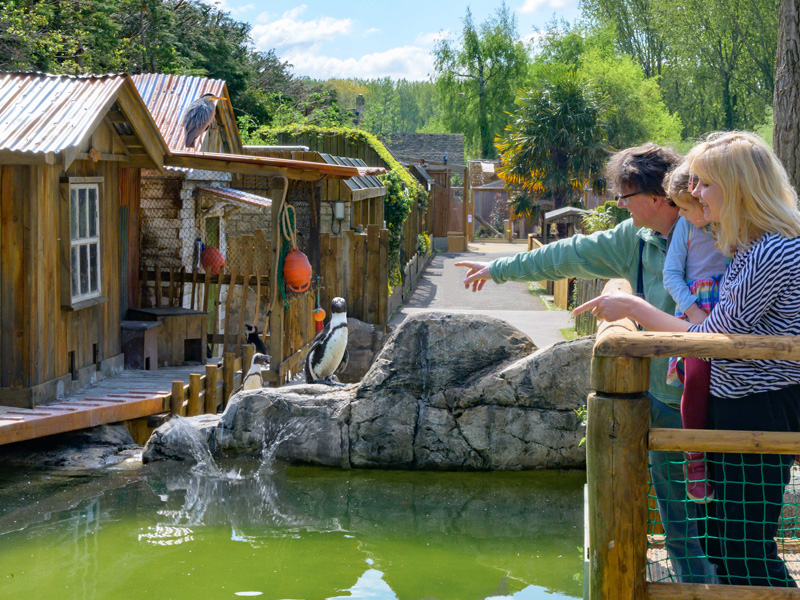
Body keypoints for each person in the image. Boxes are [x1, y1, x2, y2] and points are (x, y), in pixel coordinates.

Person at [457, 143, 718, 584]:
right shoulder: (632, 239)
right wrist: (499, 268)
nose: (618, 205)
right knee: (679, 524)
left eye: (625, 196)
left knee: (725, 521)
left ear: (657, 197)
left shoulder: (709, 233)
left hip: (719, 400)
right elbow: (567, 254)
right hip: (663, 398)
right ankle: (698, 590)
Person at [574, 131, 800, 587]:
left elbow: (712, 336)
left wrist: (636, 309)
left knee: (743, 549)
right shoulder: (751, 247)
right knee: (721, 542)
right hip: (738, 407)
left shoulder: (770, 251)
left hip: (758, 408)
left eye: (704, 183)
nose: (693, 193)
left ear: (737, 187)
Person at [662, 163, 728, 504]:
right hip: (696, 310)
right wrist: (694, 313)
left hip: (730, 306)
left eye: (689, 206)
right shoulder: (686, 229)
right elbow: (671, 275)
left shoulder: (729, 226)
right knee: (698, 377)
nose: (686, 213)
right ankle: (695, 457)